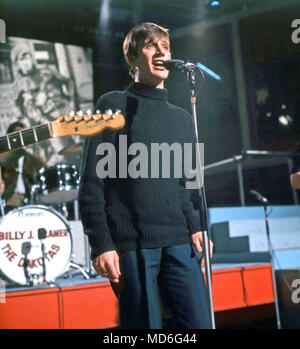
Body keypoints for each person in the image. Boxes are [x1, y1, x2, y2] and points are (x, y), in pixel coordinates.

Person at [79, 22, 213, 329]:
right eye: (152, 45)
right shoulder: (111, 105)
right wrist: (101, 243)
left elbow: (187, 185)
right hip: (132, 244)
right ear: (132, 57)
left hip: (179, 240)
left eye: (165, 46)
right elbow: (91, 184)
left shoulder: (182, 117)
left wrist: (197, 226)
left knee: (199, 323)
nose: (162, 51)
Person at [0, 121, 46, 214]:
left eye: (24, 134)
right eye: (17, 134)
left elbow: (44, 173)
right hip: (8, 200)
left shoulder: (33, 160)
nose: (21, 137)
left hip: (29, 201)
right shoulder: (3, 158)